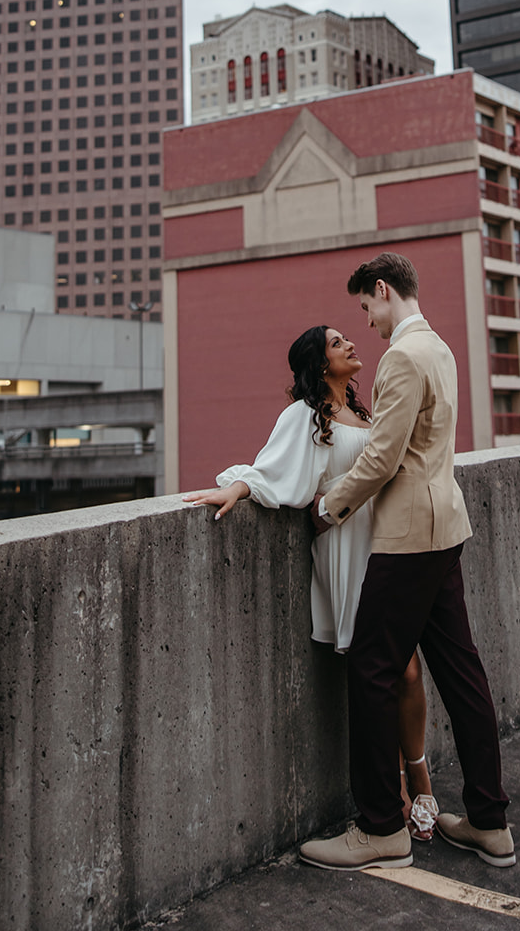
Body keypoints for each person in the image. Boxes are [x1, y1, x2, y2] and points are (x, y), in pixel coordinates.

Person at [181, 323, 439, 842]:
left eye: (347, 337)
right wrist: (239, 486)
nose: (350, 344)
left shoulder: (365, 414)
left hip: (387, 543)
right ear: (321, 365)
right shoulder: (304, 416)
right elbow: (273, 469)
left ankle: (417, 776)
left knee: (407, 673)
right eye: (337, 342)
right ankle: (401, 793)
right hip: (346, 549)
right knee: (389, 673)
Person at [298, 251, 512, 874]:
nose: (366, 322)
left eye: (366, 307)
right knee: (461, 672)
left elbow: (382, 458)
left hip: (409, 537)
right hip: (446, 527)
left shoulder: (401, 357)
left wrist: (327, 508)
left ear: (383, 290)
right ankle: (490, 821)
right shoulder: (439, 348)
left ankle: (380, 828)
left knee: (370, 668)